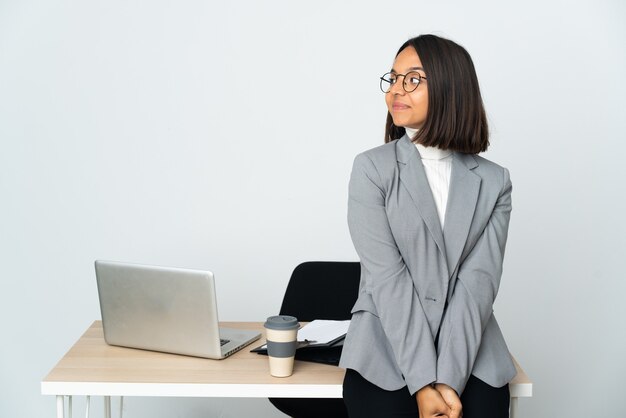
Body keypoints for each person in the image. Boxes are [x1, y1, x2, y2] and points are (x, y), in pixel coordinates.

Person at [339, 34, 516, 418]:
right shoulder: (371, 169)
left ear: (451, 88)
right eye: (394, 78)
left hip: (470, 348)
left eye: (413, 79)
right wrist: (423, 383)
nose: (396, 91)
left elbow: (478, 285)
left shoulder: (495, 181)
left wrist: (448, 381)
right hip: (385, 348)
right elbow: (388, 280)